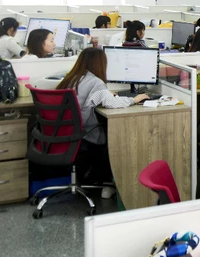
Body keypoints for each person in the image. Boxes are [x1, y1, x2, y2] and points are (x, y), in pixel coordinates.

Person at [56, 48, 149, 197]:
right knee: (112, 137)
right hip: (82, 134)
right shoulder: (95, 82)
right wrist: (134, 99)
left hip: (62, 132)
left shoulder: (72, 78)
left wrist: (105, 94)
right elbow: (111, 103)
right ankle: (107, 182)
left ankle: (91, 178)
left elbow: (93, 98)